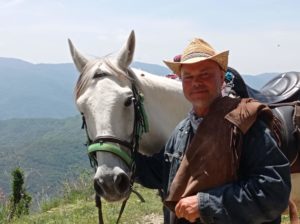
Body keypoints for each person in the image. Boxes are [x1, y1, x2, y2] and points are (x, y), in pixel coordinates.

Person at [135, 38, 291, 224]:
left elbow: (274, 191)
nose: (196, 83)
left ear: (222, 74)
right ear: (181, 81)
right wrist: (117, 155)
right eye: (189, 77)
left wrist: (205, 204)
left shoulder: (245, 124)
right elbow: (161, 173)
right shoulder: (182, 130)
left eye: (205, 74)